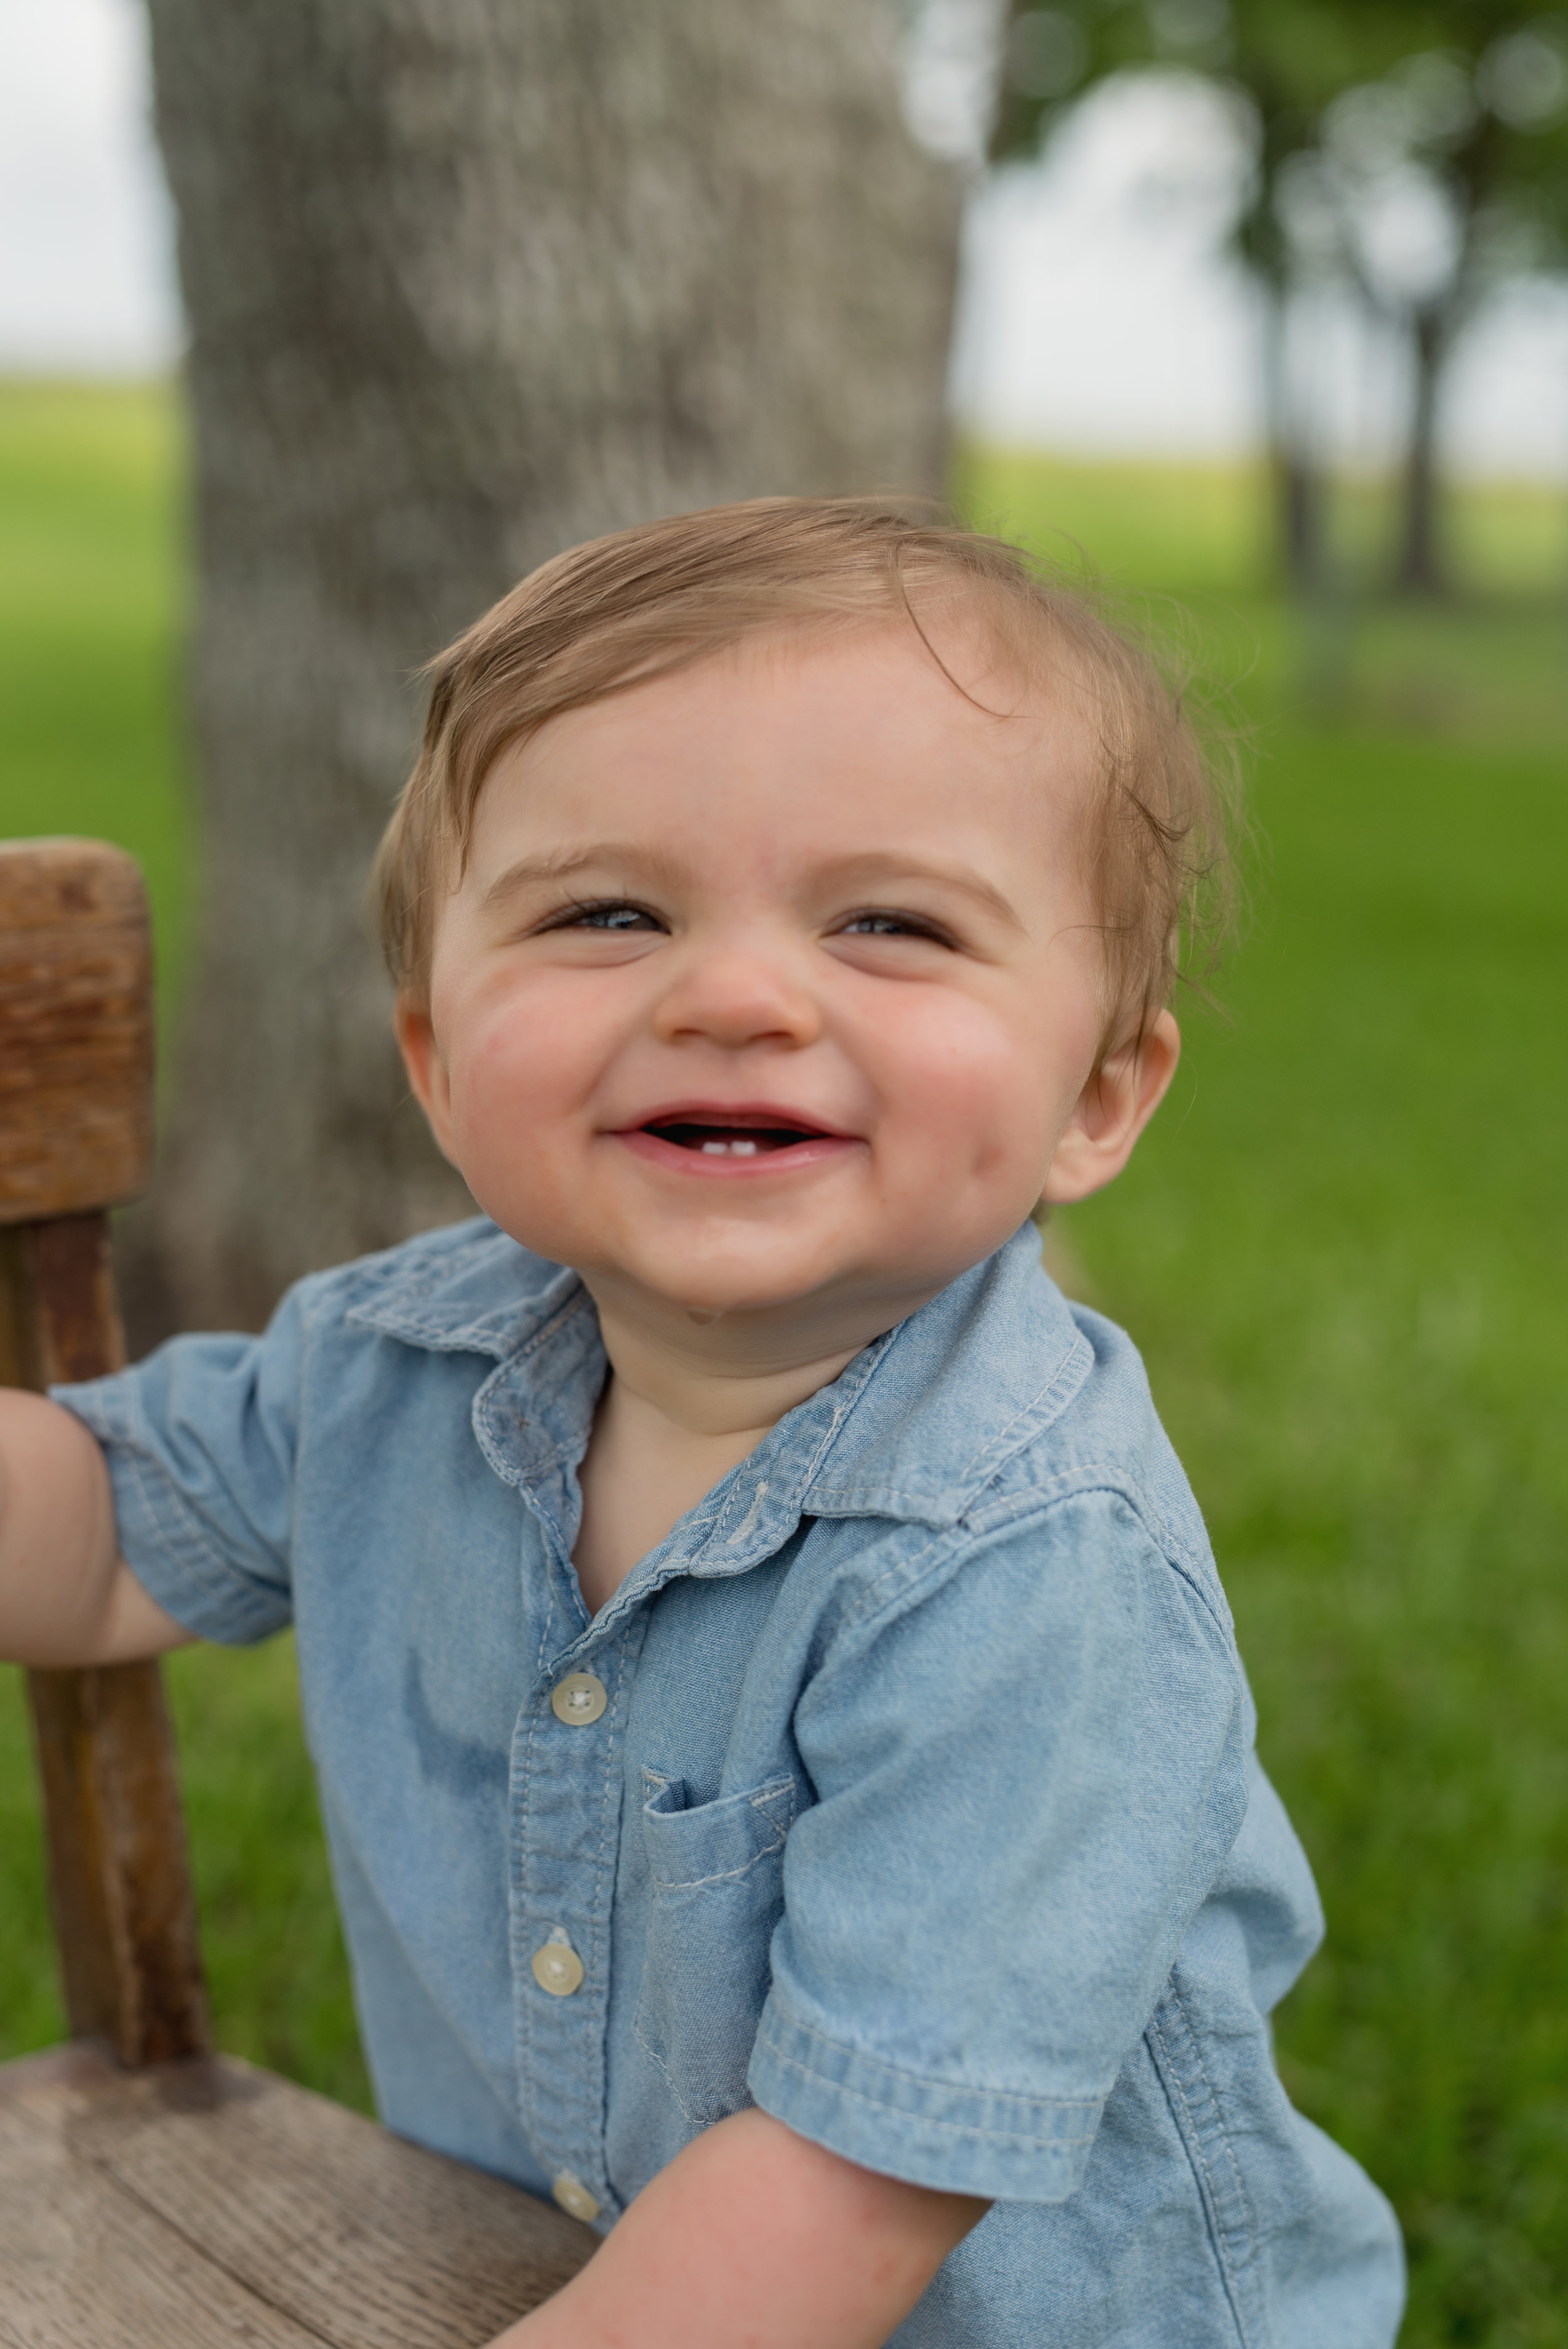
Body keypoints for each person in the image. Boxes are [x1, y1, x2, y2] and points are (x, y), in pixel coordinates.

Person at [0, 500, 1404, 2347]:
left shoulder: (1030, 1567)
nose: (735, 996)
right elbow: (95, 1538)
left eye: (888, 924)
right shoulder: (391, 1362)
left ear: (1097, 1094)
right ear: (435, 1052)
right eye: (606, 912)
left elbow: (842, 2184)